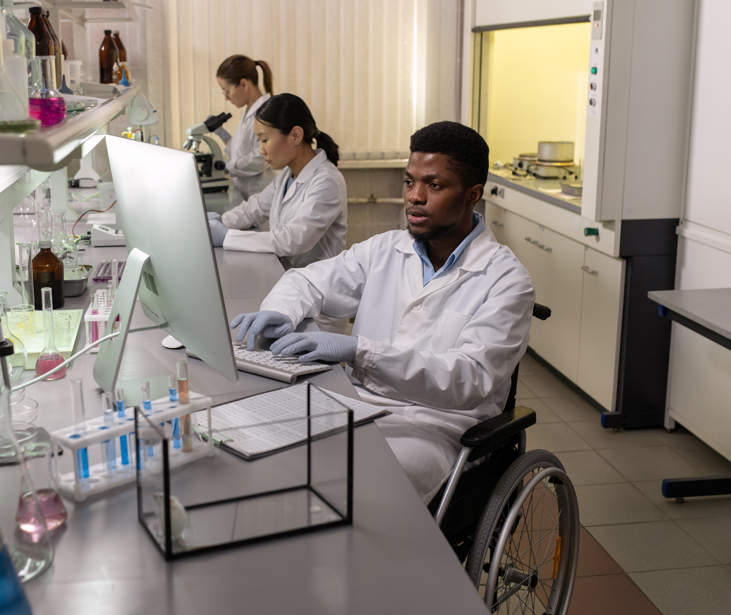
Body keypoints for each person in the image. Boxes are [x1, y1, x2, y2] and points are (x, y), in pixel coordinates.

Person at [229, 121, 535, 503]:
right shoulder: (386, 249)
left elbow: (467, 378)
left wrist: (359, 350)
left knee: (355, 487)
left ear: (473, 195)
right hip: (356, 401)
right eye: (409, 182)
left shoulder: (506, 281)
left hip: (435, 427)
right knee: (266, 446)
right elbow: (307, 281)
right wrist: (281, 312)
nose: (415, 197)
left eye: (434, 185)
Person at [208, 93, 348, 333]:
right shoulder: (289, 174)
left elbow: (293, 240)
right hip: (289, 286)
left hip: (319, 303)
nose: (261, 150)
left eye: (264, 140)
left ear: (295, 135)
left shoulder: (326, 182)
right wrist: (219, 221)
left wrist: (226, 237)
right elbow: (255, 208)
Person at [215, 55, 275, 200]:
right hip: (246, 195)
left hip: (260, 195)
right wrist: (220, 131)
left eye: (227, 91)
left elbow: (261, 158)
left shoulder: (266, 113)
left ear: (243, 84)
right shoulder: (249, 112)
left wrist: (227, 166)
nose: (226, 98)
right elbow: (238, 150)